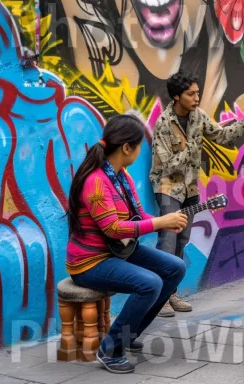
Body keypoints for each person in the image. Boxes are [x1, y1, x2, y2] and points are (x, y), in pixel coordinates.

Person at [66, 114, 189, 374]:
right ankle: (111, 349)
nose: (138, 152)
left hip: (117, 250)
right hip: (90, 261)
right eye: (138, 148)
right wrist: (159, 223)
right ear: (126, 148)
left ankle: (128, 333)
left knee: (175, 268)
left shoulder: (122, 177)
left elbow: (137, 216)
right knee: (150, 283)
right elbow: (112, 227)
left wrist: (164, 221)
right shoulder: (96, 182)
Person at [150, 70, 244, 316]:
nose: (197, 98)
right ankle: (158, 299)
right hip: (168, 187)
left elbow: (222, 136)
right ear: (177, 97)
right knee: (167, 242)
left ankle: (171, 293)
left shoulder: (198, 116)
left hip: (189, 187)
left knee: (181, 241)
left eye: (198, 93)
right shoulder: (164, 124)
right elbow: (168, 165)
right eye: (191, 94)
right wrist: (192, 146)